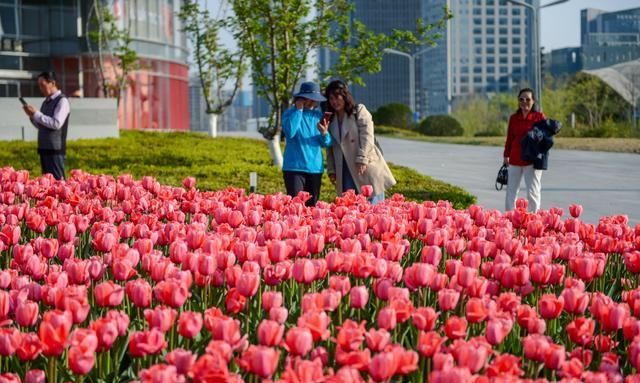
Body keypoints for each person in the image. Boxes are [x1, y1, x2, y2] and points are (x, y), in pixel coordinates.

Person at [324, 80, 396, 204]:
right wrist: (331, 169)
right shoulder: (331, 120)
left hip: (364, 165)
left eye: (337, 97)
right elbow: (331, 147)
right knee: (351, 208)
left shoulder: (358, 111)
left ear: (345, 96)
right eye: (331, 98)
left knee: (372, 207)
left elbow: (367, 135)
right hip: (344, 170)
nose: (334, 101)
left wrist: (362, 157)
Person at [281, 81, 332, 206]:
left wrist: (324, 133)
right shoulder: (289, 114)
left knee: (312, 207)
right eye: (309, 99)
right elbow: (290, 132)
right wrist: (298, 110)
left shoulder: (318, 116)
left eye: (315, 100)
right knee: (296, 207)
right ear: (301, 98)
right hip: (294, 168)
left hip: (315, 168)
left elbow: (327, 143)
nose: (312, 103)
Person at [22, 71, 70, 180]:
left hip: (55, 150)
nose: (40, 88)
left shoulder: (62, 101)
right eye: (39, 86)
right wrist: (31, 116)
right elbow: (42, 125)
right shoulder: (46, 102)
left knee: (58, 183)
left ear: (52, 83)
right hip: (44, 148)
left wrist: (37, 114)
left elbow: (56, 123)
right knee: (47, 184)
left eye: (42, 85)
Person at [503, 88, 546, 212]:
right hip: (515, 158)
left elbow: (545, 138)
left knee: (533, 192)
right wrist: (506, 155)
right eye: (521, 99)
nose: (524, 102)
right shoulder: (514, 118)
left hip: (532, 160)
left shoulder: (539, 117)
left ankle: (534, 220)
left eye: (528, 99)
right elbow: (510, 138)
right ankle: (509, 219)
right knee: (511, 191)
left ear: (533, 101)